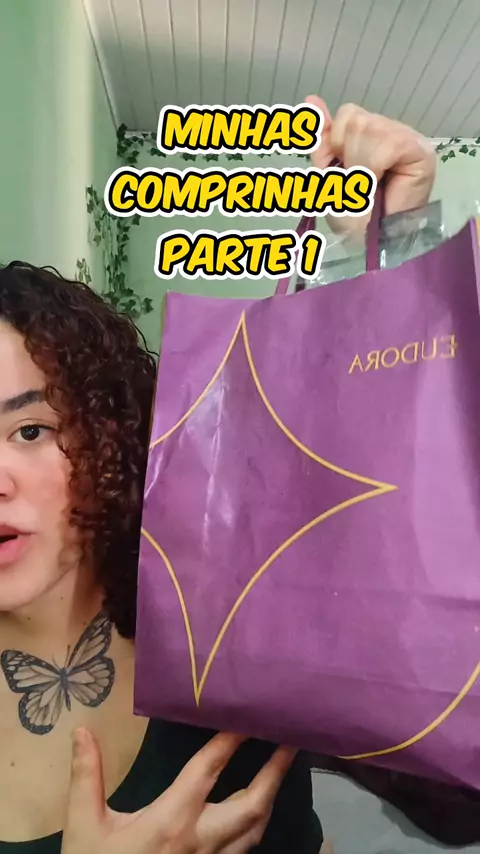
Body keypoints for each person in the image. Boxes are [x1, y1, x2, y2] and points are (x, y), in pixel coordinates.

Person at [0, 99, 435, 854]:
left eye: (30, 431)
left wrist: (386, 254)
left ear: (105, 432)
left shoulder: (232, 625)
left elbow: (442, 791)